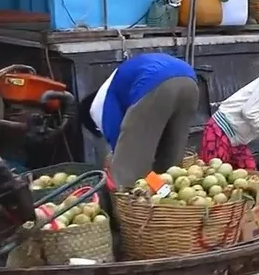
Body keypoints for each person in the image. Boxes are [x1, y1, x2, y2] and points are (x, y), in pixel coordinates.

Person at [78, 53, 199, 189]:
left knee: (129, 166)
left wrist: (117, 160)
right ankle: (167, 193)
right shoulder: (115, 87)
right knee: (170, 160)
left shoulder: (97, 108)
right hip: (188, 78)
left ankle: (142, 197)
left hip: (154, 82)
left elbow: (123, 145)